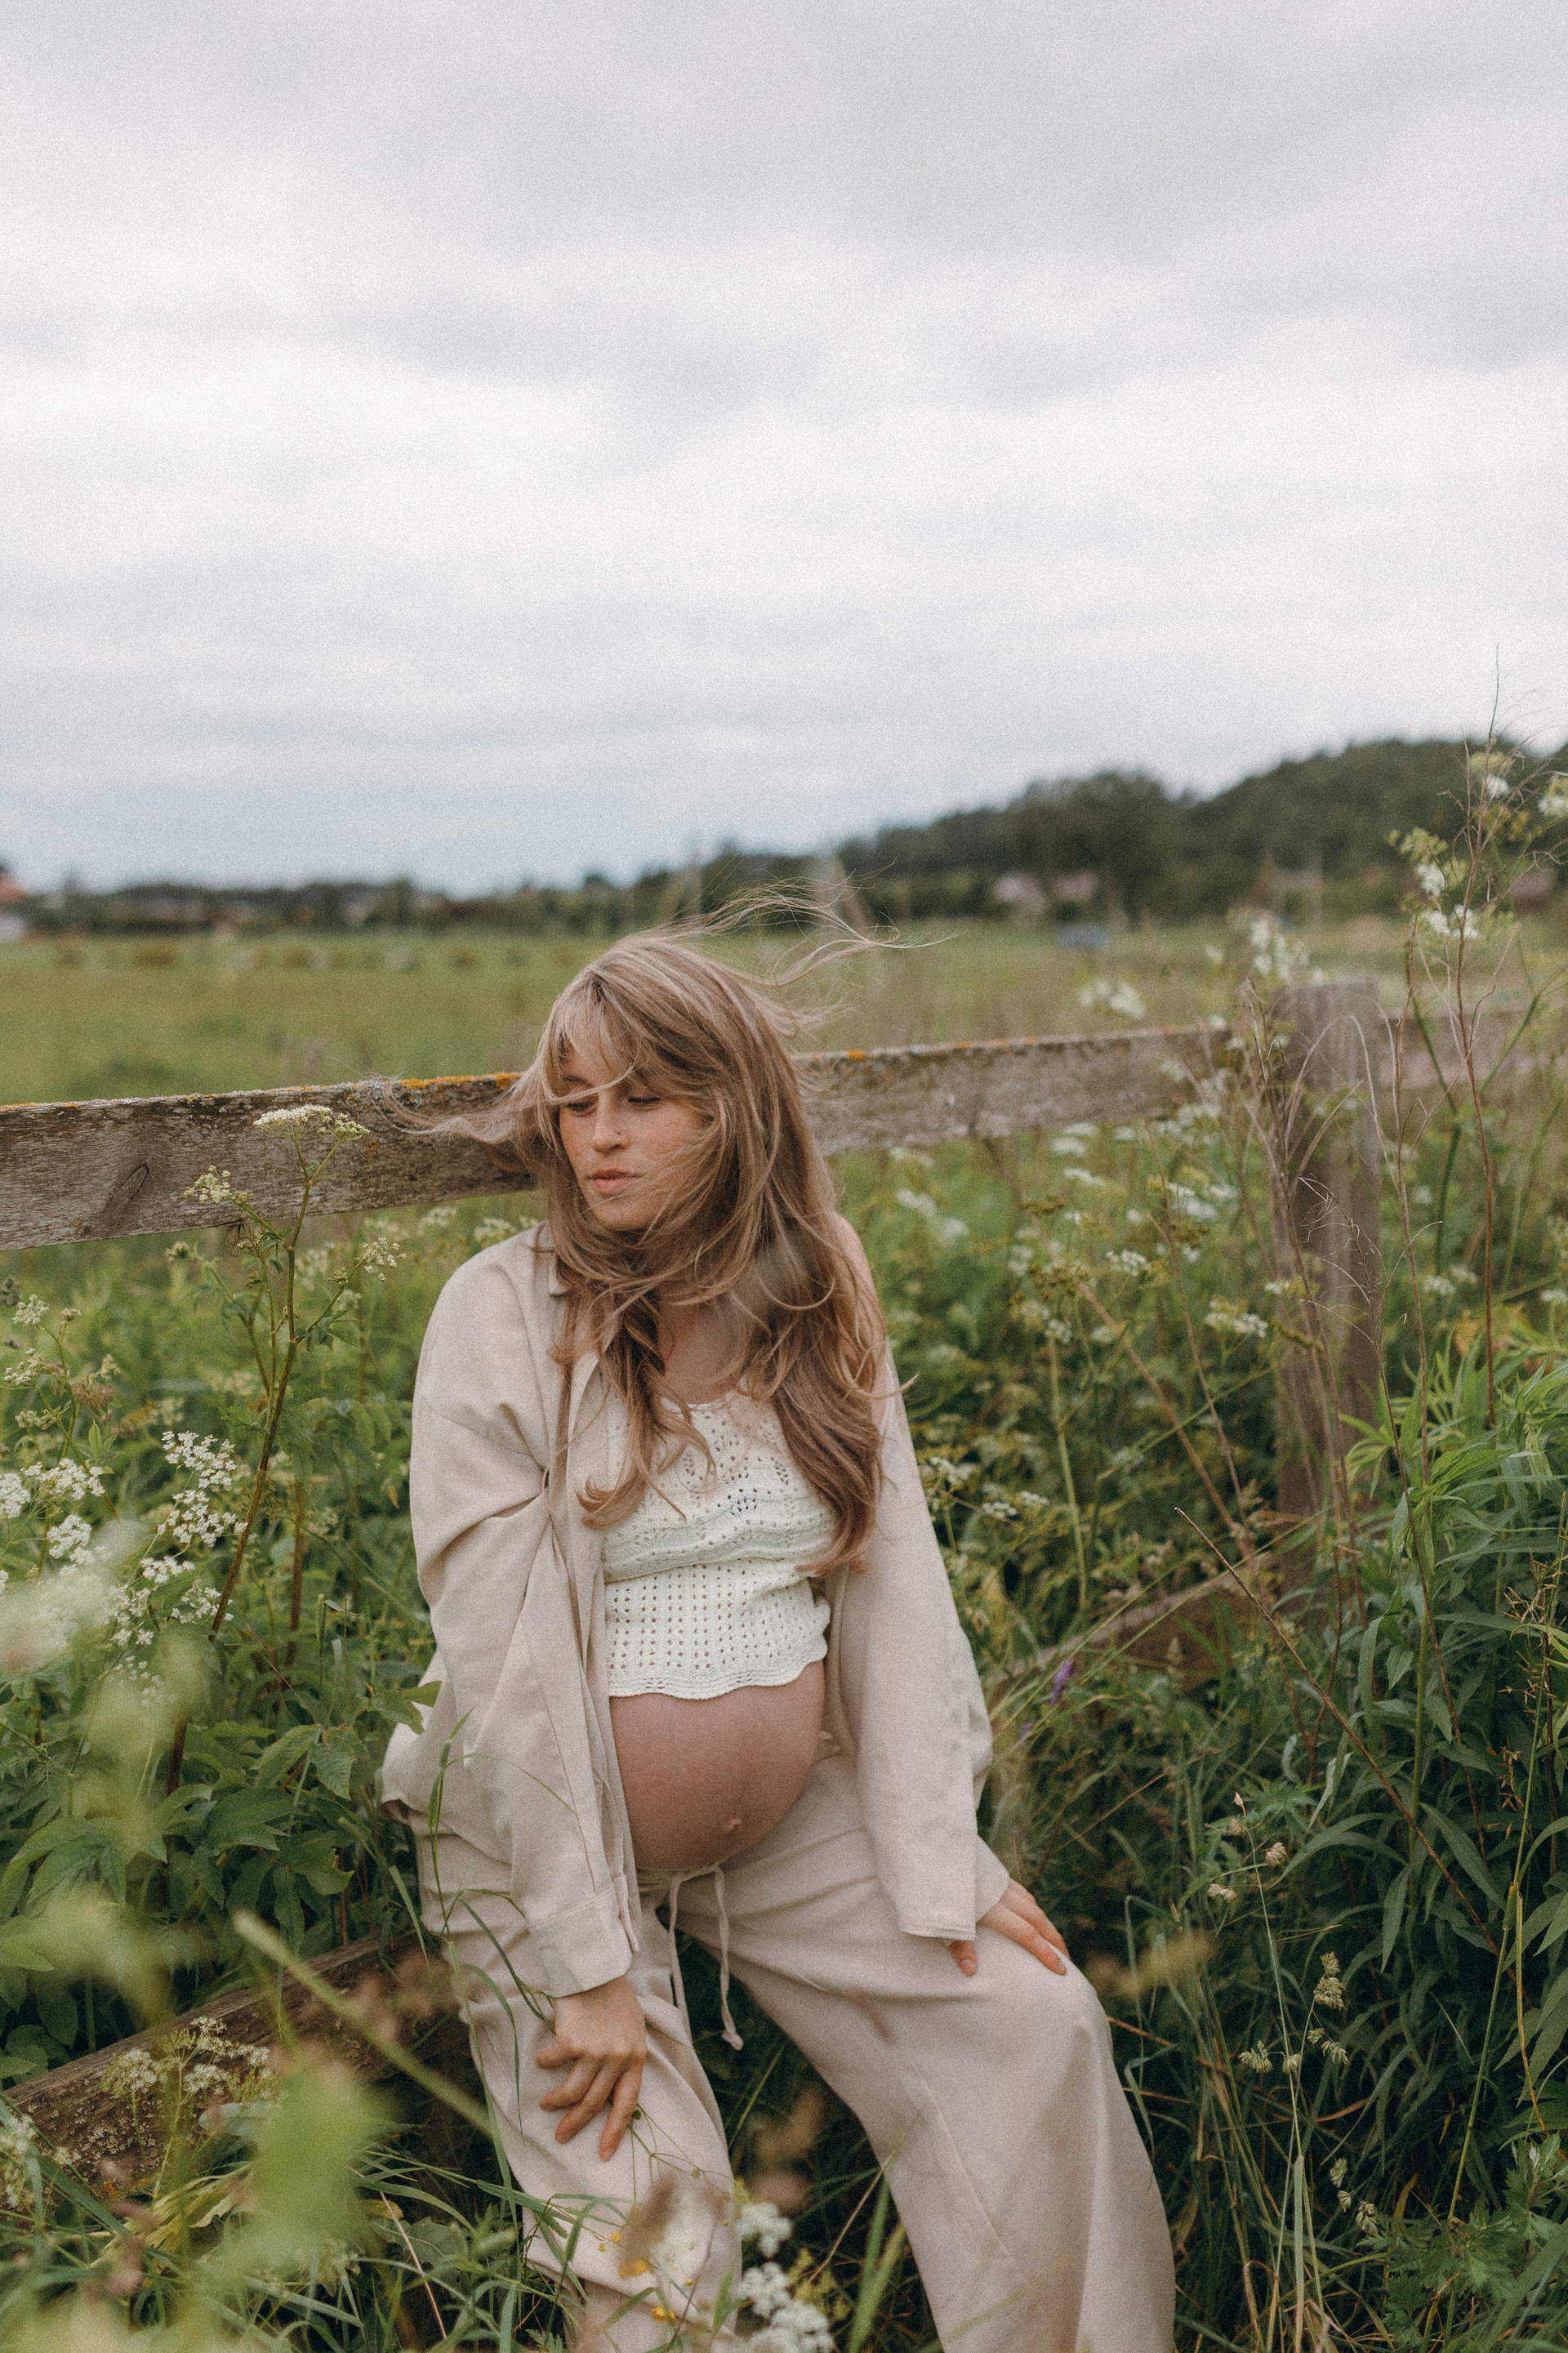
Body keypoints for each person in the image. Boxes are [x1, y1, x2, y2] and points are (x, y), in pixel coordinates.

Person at [381, 935, 1174, 2352]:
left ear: (734, 1107)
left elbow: (897, 1574)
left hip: (791, 1821)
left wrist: (940, 1846)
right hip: (536, 1842)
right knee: (660, 2248)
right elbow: (506, 1673)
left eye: (643, 1099)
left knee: (1035, 2024)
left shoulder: (821, 1281)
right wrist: (587, 1967)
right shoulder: (500, 1314)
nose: (599, 1136)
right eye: (576, 1103)